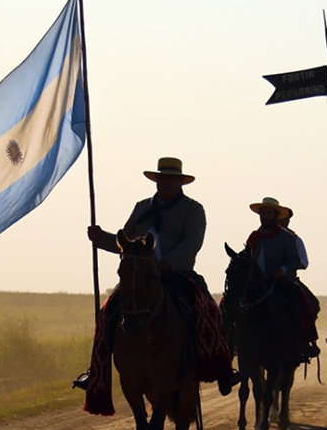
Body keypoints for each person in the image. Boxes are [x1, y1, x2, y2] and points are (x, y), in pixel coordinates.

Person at [77, 157, 241, 396]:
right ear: (157, 180)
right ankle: (96, 372)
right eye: (162, 178)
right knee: (107, 312)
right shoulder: (142, 207)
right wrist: (101, 238)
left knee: (209, 310)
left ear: (180, 182)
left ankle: (221, 370)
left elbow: (192, 244)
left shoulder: (193, 209)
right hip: (141, 277)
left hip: (178, 274)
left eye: (171, 179)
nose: (166, 182)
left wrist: (167, 265)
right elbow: (126, 243)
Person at [246, 197, 320, 360]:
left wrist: (283, 269)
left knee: (301, 300)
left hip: (280, 280)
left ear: (276, 216)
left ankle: (305, 341)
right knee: (233, 303)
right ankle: (232, 344)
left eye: (269, 213)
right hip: (257, 281)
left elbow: (297, 260)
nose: (265, 216)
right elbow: (247, 257)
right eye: (263, 213)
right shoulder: (253, 237)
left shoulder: (288, 238)